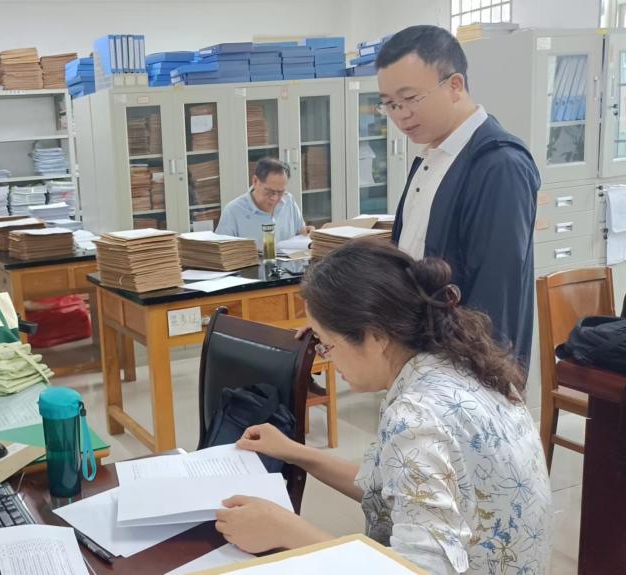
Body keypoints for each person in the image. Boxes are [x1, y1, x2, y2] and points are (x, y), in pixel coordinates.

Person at [214, 238, 553, 575]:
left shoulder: (417, 416)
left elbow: (417, 571)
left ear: (375, 336)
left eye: (326, 344)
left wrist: (286, 531)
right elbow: (393, 485)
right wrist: (296, 453)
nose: (326, 358)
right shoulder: (463, 366)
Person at [375, 25, 539, 367]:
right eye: (390, 104)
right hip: (423, 355)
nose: (401, 114)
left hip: (465, 369)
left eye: (410, 98)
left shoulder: (499, 164)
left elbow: (496, 294)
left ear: (455, 86)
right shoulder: (432, 156)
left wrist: (478, 380)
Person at [216, 157, 314, 248]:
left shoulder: (289, 201)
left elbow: (300, 235)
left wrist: (308, 233)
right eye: (269, 192)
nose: (275, 198)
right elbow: (222, 251)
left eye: (280, 192)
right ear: (255, 181)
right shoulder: (233, 211)